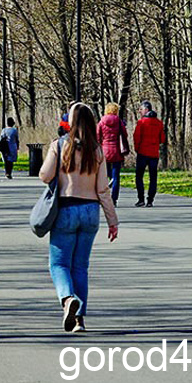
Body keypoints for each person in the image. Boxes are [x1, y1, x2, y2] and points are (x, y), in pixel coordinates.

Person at [39, 102, 118, 333]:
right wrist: (112, 220)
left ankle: (66, 299)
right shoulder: (98, 151)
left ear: (70, 121)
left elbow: (44, 175)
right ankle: (79, 319)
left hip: (66, 209)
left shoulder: (60, 145)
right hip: (90, 212)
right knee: (81, 267)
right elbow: (103, 189)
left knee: (59, 263)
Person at [133, 100, 166, 207]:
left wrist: (137, 149)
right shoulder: (159, 123)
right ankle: (150, 200)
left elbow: (136, 137)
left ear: (146, 109)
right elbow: (162, 138)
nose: (140, 111)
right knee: (153, 177)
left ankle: (141, 199)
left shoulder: (141, 123)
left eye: (141, 109)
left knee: (139, 176)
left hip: (142, 152)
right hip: (154, 154)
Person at [96, 102, 129, 205]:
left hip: (105, 150)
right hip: (116, 151)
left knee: (104, 175)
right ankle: (114, 199)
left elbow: (97, 136)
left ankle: (104, 196)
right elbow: (125, 134)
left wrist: (100, 145)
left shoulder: (101, 122)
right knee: (116, 176)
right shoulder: (119, 122)